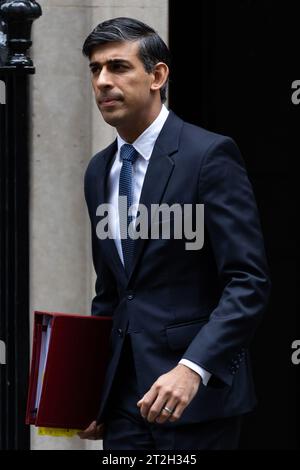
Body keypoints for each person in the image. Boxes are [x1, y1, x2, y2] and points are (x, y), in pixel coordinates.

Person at [78, 17, 271, 450]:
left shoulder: (209, 156)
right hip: (125, 405)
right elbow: (110, 292)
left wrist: (193, 367)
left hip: (197, 402)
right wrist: (92, 388)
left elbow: (248, 281)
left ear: (157, 75)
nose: (103, 82)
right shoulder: (98, 172)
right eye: (95, 70)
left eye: (118, 67)